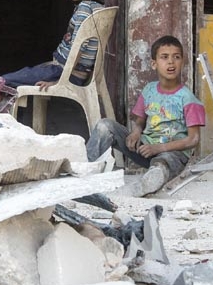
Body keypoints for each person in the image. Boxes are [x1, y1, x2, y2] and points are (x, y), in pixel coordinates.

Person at [86, 35, 205, 196]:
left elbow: (193, 140)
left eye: (176, 57)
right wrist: (136, 132)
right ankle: (86, 173)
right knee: (105, 126)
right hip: (146, 149)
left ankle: (148, 182)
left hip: (172, 154)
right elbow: (139, 120)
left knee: (162, 164)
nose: (171, 62)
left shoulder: (188, 99)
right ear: (154, 64)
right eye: (164, 57)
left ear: (182, 62)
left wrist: (159, 148)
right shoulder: (149, 90)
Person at [0, 0, 105, 89]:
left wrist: (59, 83)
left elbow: (79, 46)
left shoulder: (85, 8)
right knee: (30, 73)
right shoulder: (99, 8)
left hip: (65, 74)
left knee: (8, 79)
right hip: (76, 74)